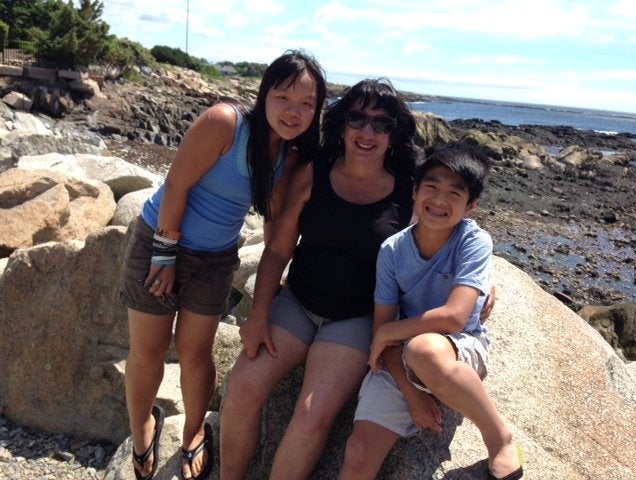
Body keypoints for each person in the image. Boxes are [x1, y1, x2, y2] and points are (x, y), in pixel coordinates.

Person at [118, 49, 326, 480]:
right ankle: (142, 429)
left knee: (195, 352)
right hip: (160, 240)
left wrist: (277, 269)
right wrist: (165, 255)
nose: (295, 111)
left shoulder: (291, 156)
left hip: (215, 259)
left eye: (307, 103)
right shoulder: (225, 123)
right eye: (285, 97)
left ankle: (193, 432)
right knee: (149, 349)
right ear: (265, 92)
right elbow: (176, 183)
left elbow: (272, 216)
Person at [219, 78, 419, 480]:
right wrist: (258, 313)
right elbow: (277, 249)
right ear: (343, 124)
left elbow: (453, 225)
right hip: (298, 303)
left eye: (381, 124)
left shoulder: (409, 190)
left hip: (356, 319)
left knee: (311, 415)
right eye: (358, 118)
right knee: (240, 389)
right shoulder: (315, 171)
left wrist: (484, 281)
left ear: (394, 135)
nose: (367, 132)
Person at [338, 144, 523, 480]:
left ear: (471, 206)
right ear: (414, 191)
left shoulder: (473, 241)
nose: (440, 200)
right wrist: (411, 394)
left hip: (459, 345)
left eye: (455, 193)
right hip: (404, 355)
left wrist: (389, 332)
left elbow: (453, 317)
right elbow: (385, 339)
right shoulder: (393, 250)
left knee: (423, 349)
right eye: (432, 187)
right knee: (358, 452)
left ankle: (500, 439)